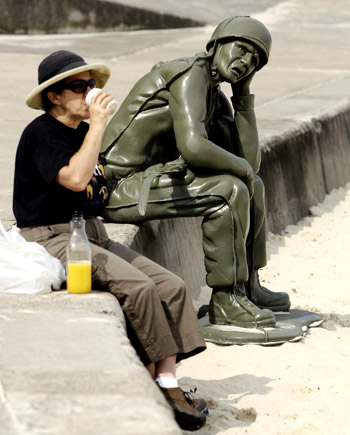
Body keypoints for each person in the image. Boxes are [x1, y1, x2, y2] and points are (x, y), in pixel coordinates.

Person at [13, 50, 207, 431]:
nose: (90, 93)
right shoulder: (41, 134)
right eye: (79, 87)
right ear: (54, 96)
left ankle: (166, 381)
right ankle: (153, 383)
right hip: (52, 236)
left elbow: (101, 187)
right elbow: (74, 179)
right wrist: (99, 125)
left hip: (91, 232)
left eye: (93, 85)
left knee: (172, 286)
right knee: (138, 288)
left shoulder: (83, 132)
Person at [100, 16, 291, 329]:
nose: (245, 62)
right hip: (118, 186)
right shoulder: (190, 75)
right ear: (216, 44)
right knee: (229, 192)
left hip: (149, 179)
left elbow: (248, 163)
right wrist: (241, 169)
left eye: (254, 61)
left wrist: (243, 97)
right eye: (242, 49)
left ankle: (248, 286)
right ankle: (226, 300)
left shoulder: (214, 92)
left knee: (251, 183)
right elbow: (193, 146)